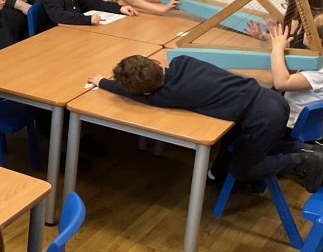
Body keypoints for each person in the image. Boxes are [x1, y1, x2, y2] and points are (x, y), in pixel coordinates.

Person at [89, 54, 323, 192]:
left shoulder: (166, 96)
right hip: (271, 99)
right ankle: (308, 150)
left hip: (260, 118)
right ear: (155, 61)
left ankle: (301, 160)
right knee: (260, 147)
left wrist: (103, 83)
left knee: (242, 169)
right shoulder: (182, 61)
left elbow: (138, 97)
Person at [269, 19, 323, 136]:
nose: (304, 32)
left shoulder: (320, 73)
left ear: (319, 41)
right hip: (288, 116)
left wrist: (277, 48)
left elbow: (281, 83)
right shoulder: (317, 57)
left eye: (308, 31)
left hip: (289, 124)